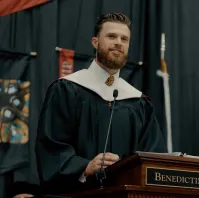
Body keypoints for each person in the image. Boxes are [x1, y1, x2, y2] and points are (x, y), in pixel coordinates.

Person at [35, 13, 167, 195]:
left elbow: (152, 158)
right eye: (111, 36)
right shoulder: (67, 89)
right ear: (95, 42)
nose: (119, 43)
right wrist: (84, 167)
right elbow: (51, 147)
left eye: (124, 39)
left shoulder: (138, 103)